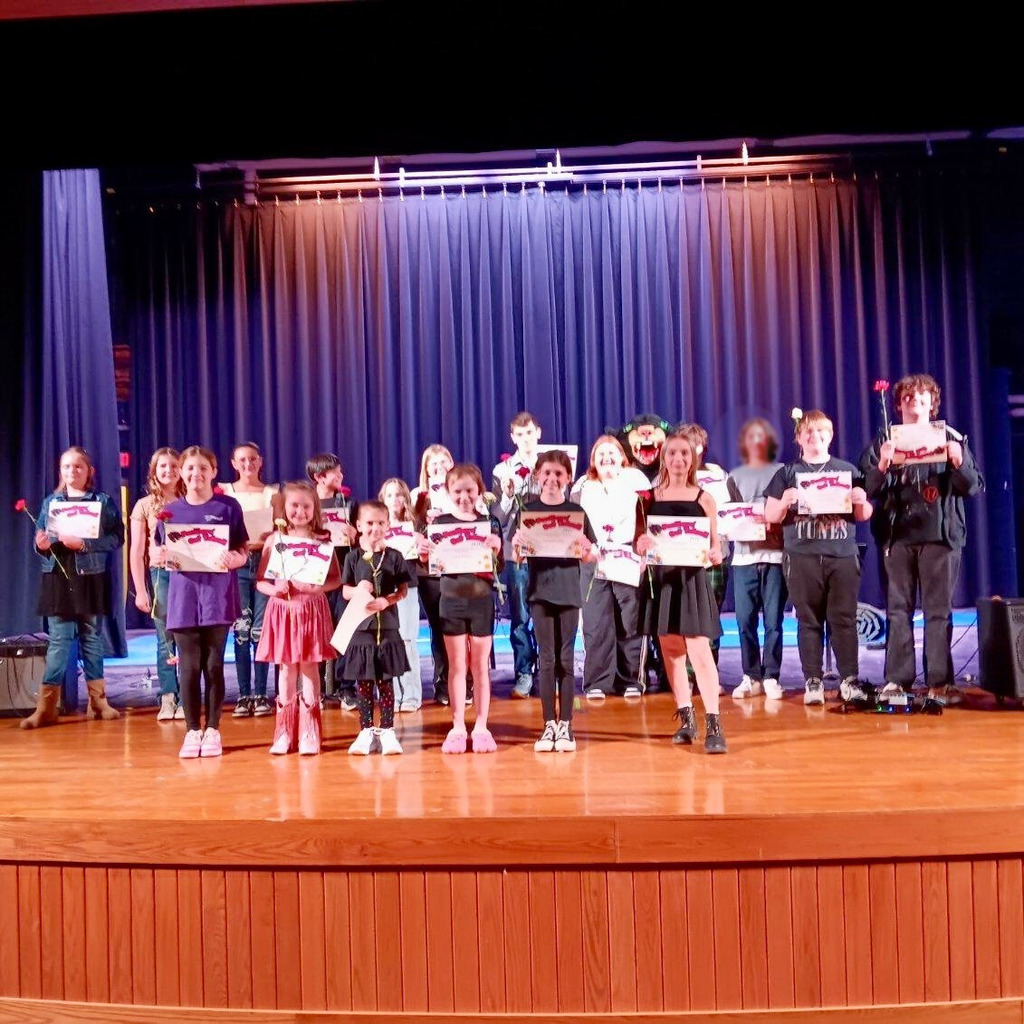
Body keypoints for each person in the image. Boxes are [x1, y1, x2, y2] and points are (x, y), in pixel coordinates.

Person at [860, 373, 983, 707]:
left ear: (932, 403)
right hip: (897, 537)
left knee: (938, 612)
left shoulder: (951, 437)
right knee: (898, 611)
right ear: (899, 405)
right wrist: (882, 465)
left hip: (940, 538)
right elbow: (863, 488)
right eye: (908, 397)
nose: (915, 401)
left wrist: (958, 461)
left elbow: (973, 486)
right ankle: (896, 681)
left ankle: (939, 683)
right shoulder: (884, 440)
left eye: (922, 396)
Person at [764, 411, 873, 706]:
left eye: (821, 431)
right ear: (799, 438)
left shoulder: (847, 471)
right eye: (809, 432)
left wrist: (862, 501)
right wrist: (785, 502)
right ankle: (812, 680)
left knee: (844, 619)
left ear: (831, 435)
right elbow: (770, 515)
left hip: (842, 554)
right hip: (802, 556)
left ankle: (849, 679)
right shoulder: (788, 473)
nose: (815, 436)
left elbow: (864, 514)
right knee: (808, 620)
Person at [155, 446, 249, 757]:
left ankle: (213, 730)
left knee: (213, 664)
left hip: (216, 597)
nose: (197, 474)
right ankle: (192, 730)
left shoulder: (228, 506)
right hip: (183, 597)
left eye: (203, 468)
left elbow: (242, 550)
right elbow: (157, 551)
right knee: (189, 666)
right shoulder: (170, 512)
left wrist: (235, 559)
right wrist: (161, 555)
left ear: (214, 472)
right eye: (190, 468)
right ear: (181, 473)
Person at [636, 431, 727, 753]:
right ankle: (687, 718)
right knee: (672, 650)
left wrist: (715, 554)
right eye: (672, 453)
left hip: (692, 580)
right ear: (663, 458)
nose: (678, 459)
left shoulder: (704, 499)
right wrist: (641, 544)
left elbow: (716, 547)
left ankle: (714, 724)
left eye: (684, 454)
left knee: (700, 650)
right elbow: (638, 542)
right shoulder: (647, 498)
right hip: (662, 581)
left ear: (693, 459)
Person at [22, 446, 124, 730]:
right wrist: (41, 545)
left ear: (89, 471)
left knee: (92, 638)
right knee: (59, 641)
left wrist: (85, 544)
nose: (72, 471)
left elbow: (117, 537)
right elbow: (41, 540)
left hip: (90, 576)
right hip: (58, 577)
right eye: (67, 466)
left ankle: (98, 702)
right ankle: (46, 707)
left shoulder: (102, 501)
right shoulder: (51, 502)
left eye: (78, 466)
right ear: (61, 471)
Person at [514, 450, 599, 752]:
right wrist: (518, 546)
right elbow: (516, 556)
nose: (552, 478)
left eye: (558, 473)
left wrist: (587, 549)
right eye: (547, 473)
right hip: (540, 593)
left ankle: (566, 725)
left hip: (568, 593)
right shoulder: (528, 511)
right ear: (537, 476)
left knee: (566, 659)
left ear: (568, 478)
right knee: (547, 659)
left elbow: (591, 554)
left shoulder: (576, 513)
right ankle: (548, 723)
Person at [420, 464, 503, 753]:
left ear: (479, 490)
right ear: (447, 492)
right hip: (451, 601)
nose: (464, 496)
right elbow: (428, 565)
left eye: (470, 490)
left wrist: (497, 549)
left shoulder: (490, 523)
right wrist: (424, 553)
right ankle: (457, 726)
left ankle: (481, 726)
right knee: (456, 666)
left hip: (481, 601)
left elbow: (499, 567)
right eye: (457, 491)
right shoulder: (440, 524)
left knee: (479, 667)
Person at [255, 481, 341, 755]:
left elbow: (336, 579)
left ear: (315, 509)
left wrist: (319, 588)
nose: (300, 511)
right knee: (286, 668)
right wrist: (275, 589)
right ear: (285, 508)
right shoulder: (274, 540)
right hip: (283, 610)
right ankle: (284, 731)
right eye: (295, 505)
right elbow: (260, 581)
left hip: (311, 610)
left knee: (310, 667)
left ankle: (309, 731)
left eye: (306, 506)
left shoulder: (323, 541)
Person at [570, 435, 648, 699]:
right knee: (596, 621)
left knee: (630, 620)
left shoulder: (637, 481)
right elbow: (575, 526)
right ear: (593, 460)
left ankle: (631, 679)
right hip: (594, 559)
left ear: (622, 456)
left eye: (612, 452)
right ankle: (597, 681)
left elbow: (647, 520)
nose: (606, 458)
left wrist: (644, 553)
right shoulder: (582, 486)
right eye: (600, 453)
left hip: (628, 556)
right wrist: (584, 548)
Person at [341, 500, 413, 755]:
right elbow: (345, 591)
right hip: (361, 629)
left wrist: (387, 601)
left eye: (381, 523)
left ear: (388, 525)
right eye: (370, 523)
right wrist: (357, 590)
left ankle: (388, 730)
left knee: (385, 681)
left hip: (388, 628)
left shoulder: (394, 556)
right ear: (359, 525)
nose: (375, 528)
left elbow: (403, 590)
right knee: (364, 683)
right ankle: (366, 730)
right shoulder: (352, 557)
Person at [726, 419, 787, 700]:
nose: (756, 442)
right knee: (744, 621)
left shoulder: (783, 472)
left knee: (774, 622)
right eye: (751, 436)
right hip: (743, 558)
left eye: (761, 436)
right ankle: (750, 676)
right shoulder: (734, 476)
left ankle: (771, 675)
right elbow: (729, 516)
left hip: (775, 556)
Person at [222, 442, 278, 719]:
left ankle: (261, 693)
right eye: (242, 459)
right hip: (238, 562)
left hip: (265, 561)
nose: (248, 464)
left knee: (261, 630)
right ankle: (243, 694)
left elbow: (281, 525)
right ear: (234, 463)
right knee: (241, 630)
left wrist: (272, 535)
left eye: (253, 459)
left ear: (260, 461)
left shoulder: (272, 493)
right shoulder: (225, 492)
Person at [129, 447, 186, 721]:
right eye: (163, 466)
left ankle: (187, 696)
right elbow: (136, 551)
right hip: (160, 574)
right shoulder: (144, 505)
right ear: (154, 471)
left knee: (187, 636)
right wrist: (140, 590)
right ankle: (168, 695)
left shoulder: (190, 501)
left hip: (188, 574)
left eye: (174, 466)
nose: (168, 471)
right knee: (165, 637)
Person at [491, 412, 543, 698]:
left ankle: (548, 669)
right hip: (517, 551)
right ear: (512, 437)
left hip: (548, 549)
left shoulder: (551, 463)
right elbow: (497, 517)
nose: (525, 439)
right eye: (519, 435)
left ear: (538, 433)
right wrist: (509, 496)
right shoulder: (503, 470)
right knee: (520, 615)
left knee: (546, 611)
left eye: (529, 433)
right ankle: (524, 671)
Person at [678, 423, 730, 689]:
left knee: (710, 617)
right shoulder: (668, 477)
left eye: (693, 445)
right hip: (680, 559)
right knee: (684, 618)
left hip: (712, 558)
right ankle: (687, 676)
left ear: (701, 448)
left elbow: (730, 513)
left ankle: (709, 676)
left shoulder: (717, 475)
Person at [306, 452, 358, 710]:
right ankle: (314, 688)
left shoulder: (348, 504)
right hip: (314, 576)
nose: (341, 475)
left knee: (343, 632)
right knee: (315, 632)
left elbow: (360, 542)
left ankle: (345, 687)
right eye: (335, 473)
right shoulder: (306, 504)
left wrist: (354, 535)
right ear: (319, 477)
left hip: (342, 577)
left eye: (340, 471)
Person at [410, 444, 455, 706]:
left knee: (457, 625)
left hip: (458, 567)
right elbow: (408, 531)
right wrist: (421, 529)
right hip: (428, 572)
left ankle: (464, 681)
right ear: (426, 470)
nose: (438, 467)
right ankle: (442, 682)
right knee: (438, 627)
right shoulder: (418, 495)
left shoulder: (460, 490)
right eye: (433, 464)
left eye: (443, 461)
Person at [380, 477, 423, 712]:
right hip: (384, 589)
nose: (394, 499)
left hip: (407, 588)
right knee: (387, 642)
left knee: (407, 641)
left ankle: (412, 696)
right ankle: (392, 695)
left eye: (398, 494)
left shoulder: (414, 527)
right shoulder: (378, 527)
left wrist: (419, 542)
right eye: (389, 495)